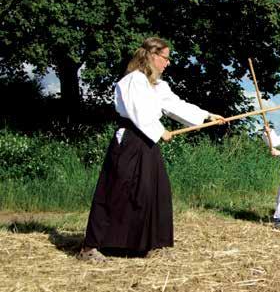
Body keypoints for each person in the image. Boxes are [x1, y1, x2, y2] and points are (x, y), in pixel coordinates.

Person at [78, 37, 226, 262]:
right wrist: (159, 131)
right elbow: (139, 111)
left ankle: (138, 245)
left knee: (151, 191)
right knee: (116, 190)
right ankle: (91, 247)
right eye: (165, 58)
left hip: (147, 142)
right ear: (152, 55)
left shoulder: (158, 85)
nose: (167, 63)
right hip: (129, 140)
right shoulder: (133, 81)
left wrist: (207, 115)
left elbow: (176, 105)